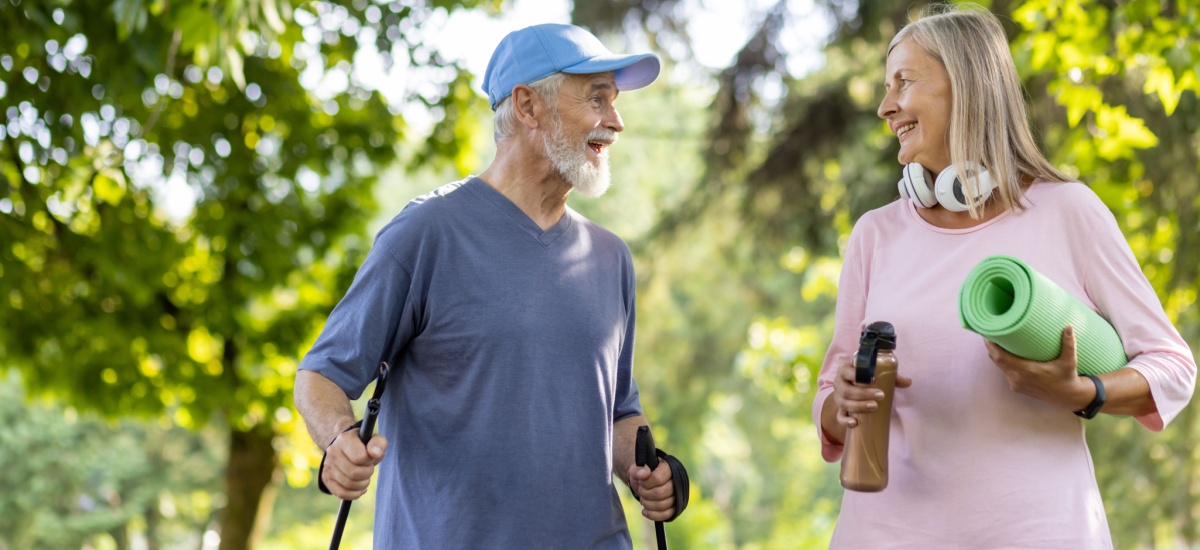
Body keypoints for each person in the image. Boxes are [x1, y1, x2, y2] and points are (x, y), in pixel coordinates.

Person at [812, 5, 1196, 548]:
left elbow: (1172, 367)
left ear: (966, 86)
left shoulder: (1068, 212)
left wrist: (1084, 392)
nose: (885, 106)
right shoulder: (875, 234)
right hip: (884, 534)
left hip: (1038, 532)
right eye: (884, 85)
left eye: (904, 81)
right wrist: (840, 403)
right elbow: (830, 397)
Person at [294, 23, 682, 548]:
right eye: (597, 99)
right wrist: (339, 442)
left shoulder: (610, 257)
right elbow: (320, 375)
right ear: (527, 106)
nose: (615, 121)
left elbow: (617, 412)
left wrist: (653, 472)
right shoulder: (425, 234)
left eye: (613, 102)